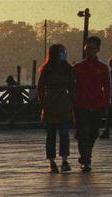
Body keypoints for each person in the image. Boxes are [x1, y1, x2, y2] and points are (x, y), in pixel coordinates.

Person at [72, 36, 111, 172]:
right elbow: (72, 86)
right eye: (87, 48)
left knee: (94, 132)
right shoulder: (78, 67)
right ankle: (86, 158)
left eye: (92, 48)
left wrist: (106, 103)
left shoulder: (103, 68)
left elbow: (107, 87)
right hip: (81, 104)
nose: (89, 51)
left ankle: (86, 155)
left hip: (97, 104)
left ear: (98, 49)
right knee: (83, 132)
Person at [37, 44, 76, 173]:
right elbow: (41, 88)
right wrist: (43, 102)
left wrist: (71, 101)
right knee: (51, 135)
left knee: (64, 134)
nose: (63, 54)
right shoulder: (46, 69)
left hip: (63, 104)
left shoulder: (68, 68)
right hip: (51, 105)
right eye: (61, 52)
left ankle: (64, 160)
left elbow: (72, 87)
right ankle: (52, 161)